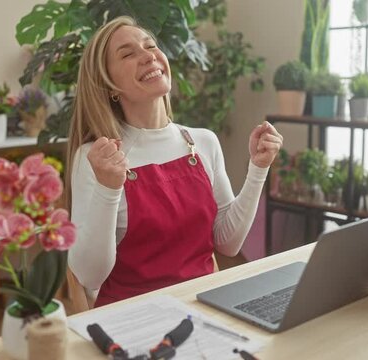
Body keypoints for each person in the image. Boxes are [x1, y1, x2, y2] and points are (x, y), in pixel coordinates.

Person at [66, 16, 283, 308]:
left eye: (151, 46)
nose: (148, 56)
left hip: (205, 306)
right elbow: (89, 276)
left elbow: (227, 243)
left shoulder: (203, 141)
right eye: (128, 54)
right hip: (130, 319)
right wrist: (107, 187)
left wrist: (258, 169)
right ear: (109, 87)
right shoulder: (96, 158)